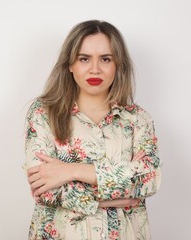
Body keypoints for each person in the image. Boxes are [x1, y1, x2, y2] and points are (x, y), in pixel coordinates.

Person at [23, 20, 162, 240]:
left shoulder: (138, 119)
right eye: (84, 59)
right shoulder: (43, 113)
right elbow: (45, 191)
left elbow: (148, 179)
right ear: (70, 64)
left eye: (106, 59)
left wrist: (71, 171)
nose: (95, 69)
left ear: (118, 64)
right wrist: (119, 191)